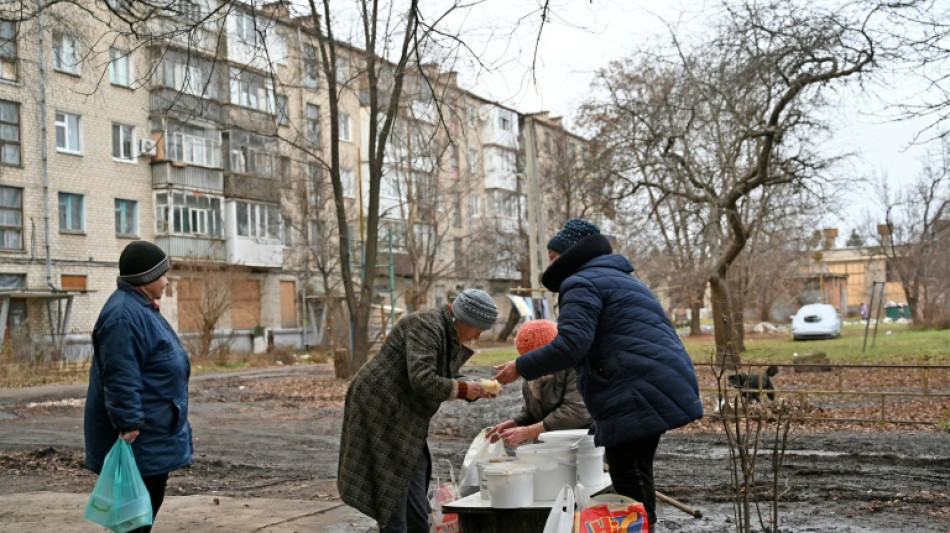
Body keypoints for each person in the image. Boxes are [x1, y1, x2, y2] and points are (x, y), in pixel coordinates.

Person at [494, 219, 703, 529]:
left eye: (554, 256)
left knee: (629, 476)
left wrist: (520, 366)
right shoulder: (618, 278)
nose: (551, 262)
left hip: (634, 388)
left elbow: (570, 345)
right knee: (635, 473)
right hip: (654, 382)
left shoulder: (581, 282)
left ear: (571, 254)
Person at [338, 288, 500, 533]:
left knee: (415, 471)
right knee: (392, 484)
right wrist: (464, 389)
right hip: (381, 408)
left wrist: (473, 386)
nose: (477, 336)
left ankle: (416, 527)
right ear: (465, 320)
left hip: (404, 413)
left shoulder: (445, 332)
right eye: (478, 329)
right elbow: (423, 378)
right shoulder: (425, 326)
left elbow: (443, 374)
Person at [84, 241, 192, 533]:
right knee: (133, 522)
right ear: (146, 279)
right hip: (139, 438)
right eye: (163, 275)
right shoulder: (123, 316)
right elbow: (120, 374)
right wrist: (129, 422)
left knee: (142, 515)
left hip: (154, 432)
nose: (167, 281)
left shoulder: (139, 308)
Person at [487, 318, 591, 447]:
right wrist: (516, 422)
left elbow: (576, 411)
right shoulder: (531, 374)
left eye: (532, 359)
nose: (530, 366)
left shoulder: (575, 368)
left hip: (584, 447)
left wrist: (529, 432)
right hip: (553, 448)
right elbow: (533, 411)